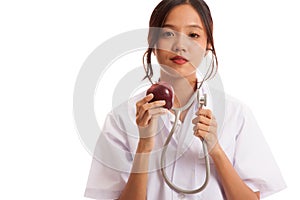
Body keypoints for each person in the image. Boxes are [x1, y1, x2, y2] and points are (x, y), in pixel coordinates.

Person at [84, 0, 286, 199]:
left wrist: (215, 149)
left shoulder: (236, 114)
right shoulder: (121, 118)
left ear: (208, 44)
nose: (180, 45)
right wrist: (144, 145)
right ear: (152, 42)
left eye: (193, 35)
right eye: (168, 34)